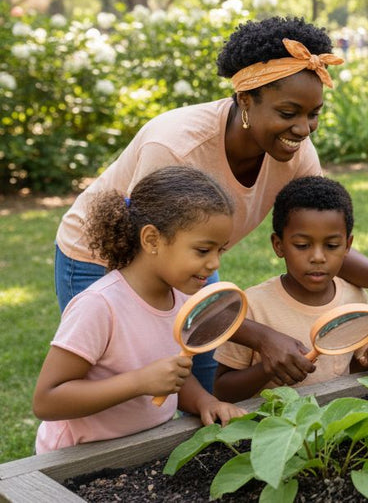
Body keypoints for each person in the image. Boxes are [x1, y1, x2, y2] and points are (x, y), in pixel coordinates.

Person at [53, 16, 368, 392]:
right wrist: (262, 335)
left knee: (210, 378)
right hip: (107, 258)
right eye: (288, 112)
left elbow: (320, 235)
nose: (302, 129)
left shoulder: (296, 151)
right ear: (246, 100)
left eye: (313, 114)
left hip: (189, 258)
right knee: (128, 377)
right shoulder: (176, 147)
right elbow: (151, 259)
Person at [33, 166, 246, 453]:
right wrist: (138, 382)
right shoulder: (99, 306)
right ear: (151, 240)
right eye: (203, 250)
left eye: (220, 250)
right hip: (76, 456)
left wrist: (204, 402)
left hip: (138, 449)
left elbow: (175, 374)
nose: (215, 263)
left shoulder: (183, 298)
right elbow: (47, 400)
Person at [213, 176, 368, 401]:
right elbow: (222, 390)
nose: (317, 257)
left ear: (347, 245)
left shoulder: (355, 297)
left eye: (331, 245)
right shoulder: (253, 306)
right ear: (278, 245)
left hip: (334, 428)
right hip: (271, 429)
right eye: (302, 245)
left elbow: (351, 367)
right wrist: (266, 370)